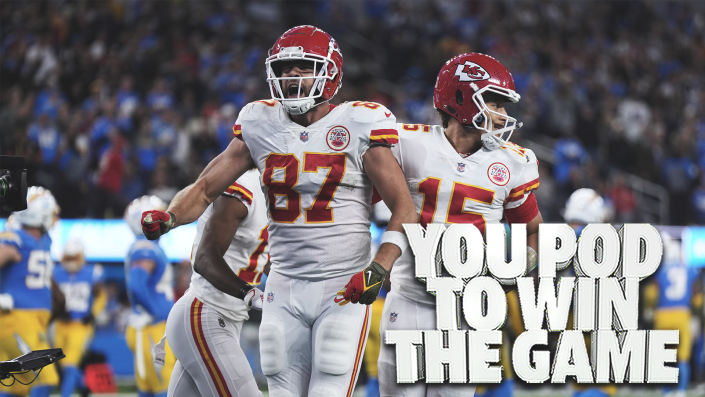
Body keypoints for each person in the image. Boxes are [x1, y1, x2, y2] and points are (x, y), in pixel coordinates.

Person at [140, 25, 416, 397]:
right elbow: (205, 187)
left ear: (330, 71)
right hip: (283, 287)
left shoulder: (360, 121)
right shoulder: (260, 122)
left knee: (329, 389)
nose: (291, 76)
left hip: (343, 284)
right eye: (285, 68)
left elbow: (404, 207)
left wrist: (378, 268)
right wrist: (171, 217)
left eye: (303, 66)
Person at [377, 53, 543, 397]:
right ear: (460, 99)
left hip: (467, 310)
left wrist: (520, 267)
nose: (503, 116)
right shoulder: (406, 143)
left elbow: (533, 230)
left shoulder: (514, 162)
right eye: (495, 103)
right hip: (408, 299)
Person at [165, 169, 269, 397]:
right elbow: (205, 258)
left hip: (225, 319)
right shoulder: (244, 186)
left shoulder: (278, 189)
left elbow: (266, 257)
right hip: (205, 314)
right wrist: (249, 293)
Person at [0, 187, 62, 397]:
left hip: (30, 321)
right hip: (18, 318)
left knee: (18, 387)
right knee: (47, 378)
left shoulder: (41, 241)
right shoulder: (14, 237)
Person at [124, 196, 176, 397]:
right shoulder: (145, 247)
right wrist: (153, 311)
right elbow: (137, 285)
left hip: (150, 329)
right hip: (151, 328)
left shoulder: (145, 246)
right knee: (165, 386)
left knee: (148, 389)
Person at [646, 235, 699, 397]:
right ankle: (681, 391)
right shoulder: (690, 270)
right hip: (683, 315)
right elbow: (697, 297)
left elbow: (651, 294)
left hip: (663, 315)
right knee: (683, 357)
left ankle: (666, 391)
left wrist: (649, 308)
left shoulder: (661, 270)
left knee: (663, 357)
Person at [52, 238, 107, 397]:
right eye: (68, 258)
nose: (70, 262)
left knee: (70, 365)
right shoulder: (56, 273)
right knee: (63, 365)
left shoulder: (92, 273)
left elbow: (101, 296)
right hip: (60, 325)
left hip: (81, 326)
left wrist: (93, 313)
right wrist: (57, 310)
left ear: (81, 256)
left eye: (73, 258)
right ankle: (83, 386)